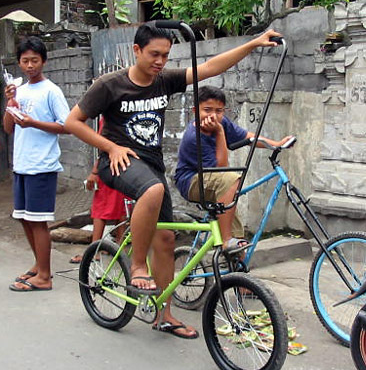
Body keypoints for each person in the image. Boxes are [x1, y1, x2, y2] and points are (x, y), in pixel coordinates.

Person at [64, 22, 282, 339]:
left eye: (165, 56)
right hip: (118, 161)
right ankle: (138, 265)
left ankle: (164, 315)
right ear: (136, 50)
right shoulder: (110, 85)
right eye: (154, 54)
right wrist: (110, 147)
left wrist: (253, 43)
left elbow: (209, 66)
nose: (160, 62)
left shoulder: (164, 80)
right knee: (151, 190)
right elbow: (73, 122)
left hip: (150, 164)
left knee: (166, 239)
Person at [175, 85, 292, 251]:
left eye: (219, 111)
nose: (213, 115)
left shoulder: (221, 122)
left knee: (233, 221)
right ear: (195, 110)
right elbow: (221, 170)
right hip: (191, 181)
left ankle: (237, 268)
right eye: (207, 110)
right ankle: (226, 239)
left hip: (212, 179)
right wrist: (220, 133)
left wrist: (276, 144)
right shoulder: (194, 137)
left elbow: (247, 137)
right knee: (230, 180)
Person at [3, 36, 70, 291]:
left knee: (38, 220)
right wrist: (10, 102)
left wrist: (33, 123)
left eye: (34, 60)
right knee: (24, 218)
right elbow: (8, 128)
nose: (30, 65)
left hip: (42, 165)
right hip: (21, 163)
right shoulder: (18, 90)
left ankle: (44, 276)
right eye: (25, 60)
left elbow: (67, 126)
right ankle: (38, 265)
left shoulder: (51, 91)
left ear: (44, 61)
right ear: (19, 63)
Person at [70, 118, 129, 264]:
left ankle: (93, 251)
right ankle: (119, 250)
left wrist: (95, 172)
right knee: (121, 208)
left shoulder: (110, 117)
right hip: (127, 165)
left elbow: (104, 146)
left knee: (100, 208)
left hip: (110, 165)